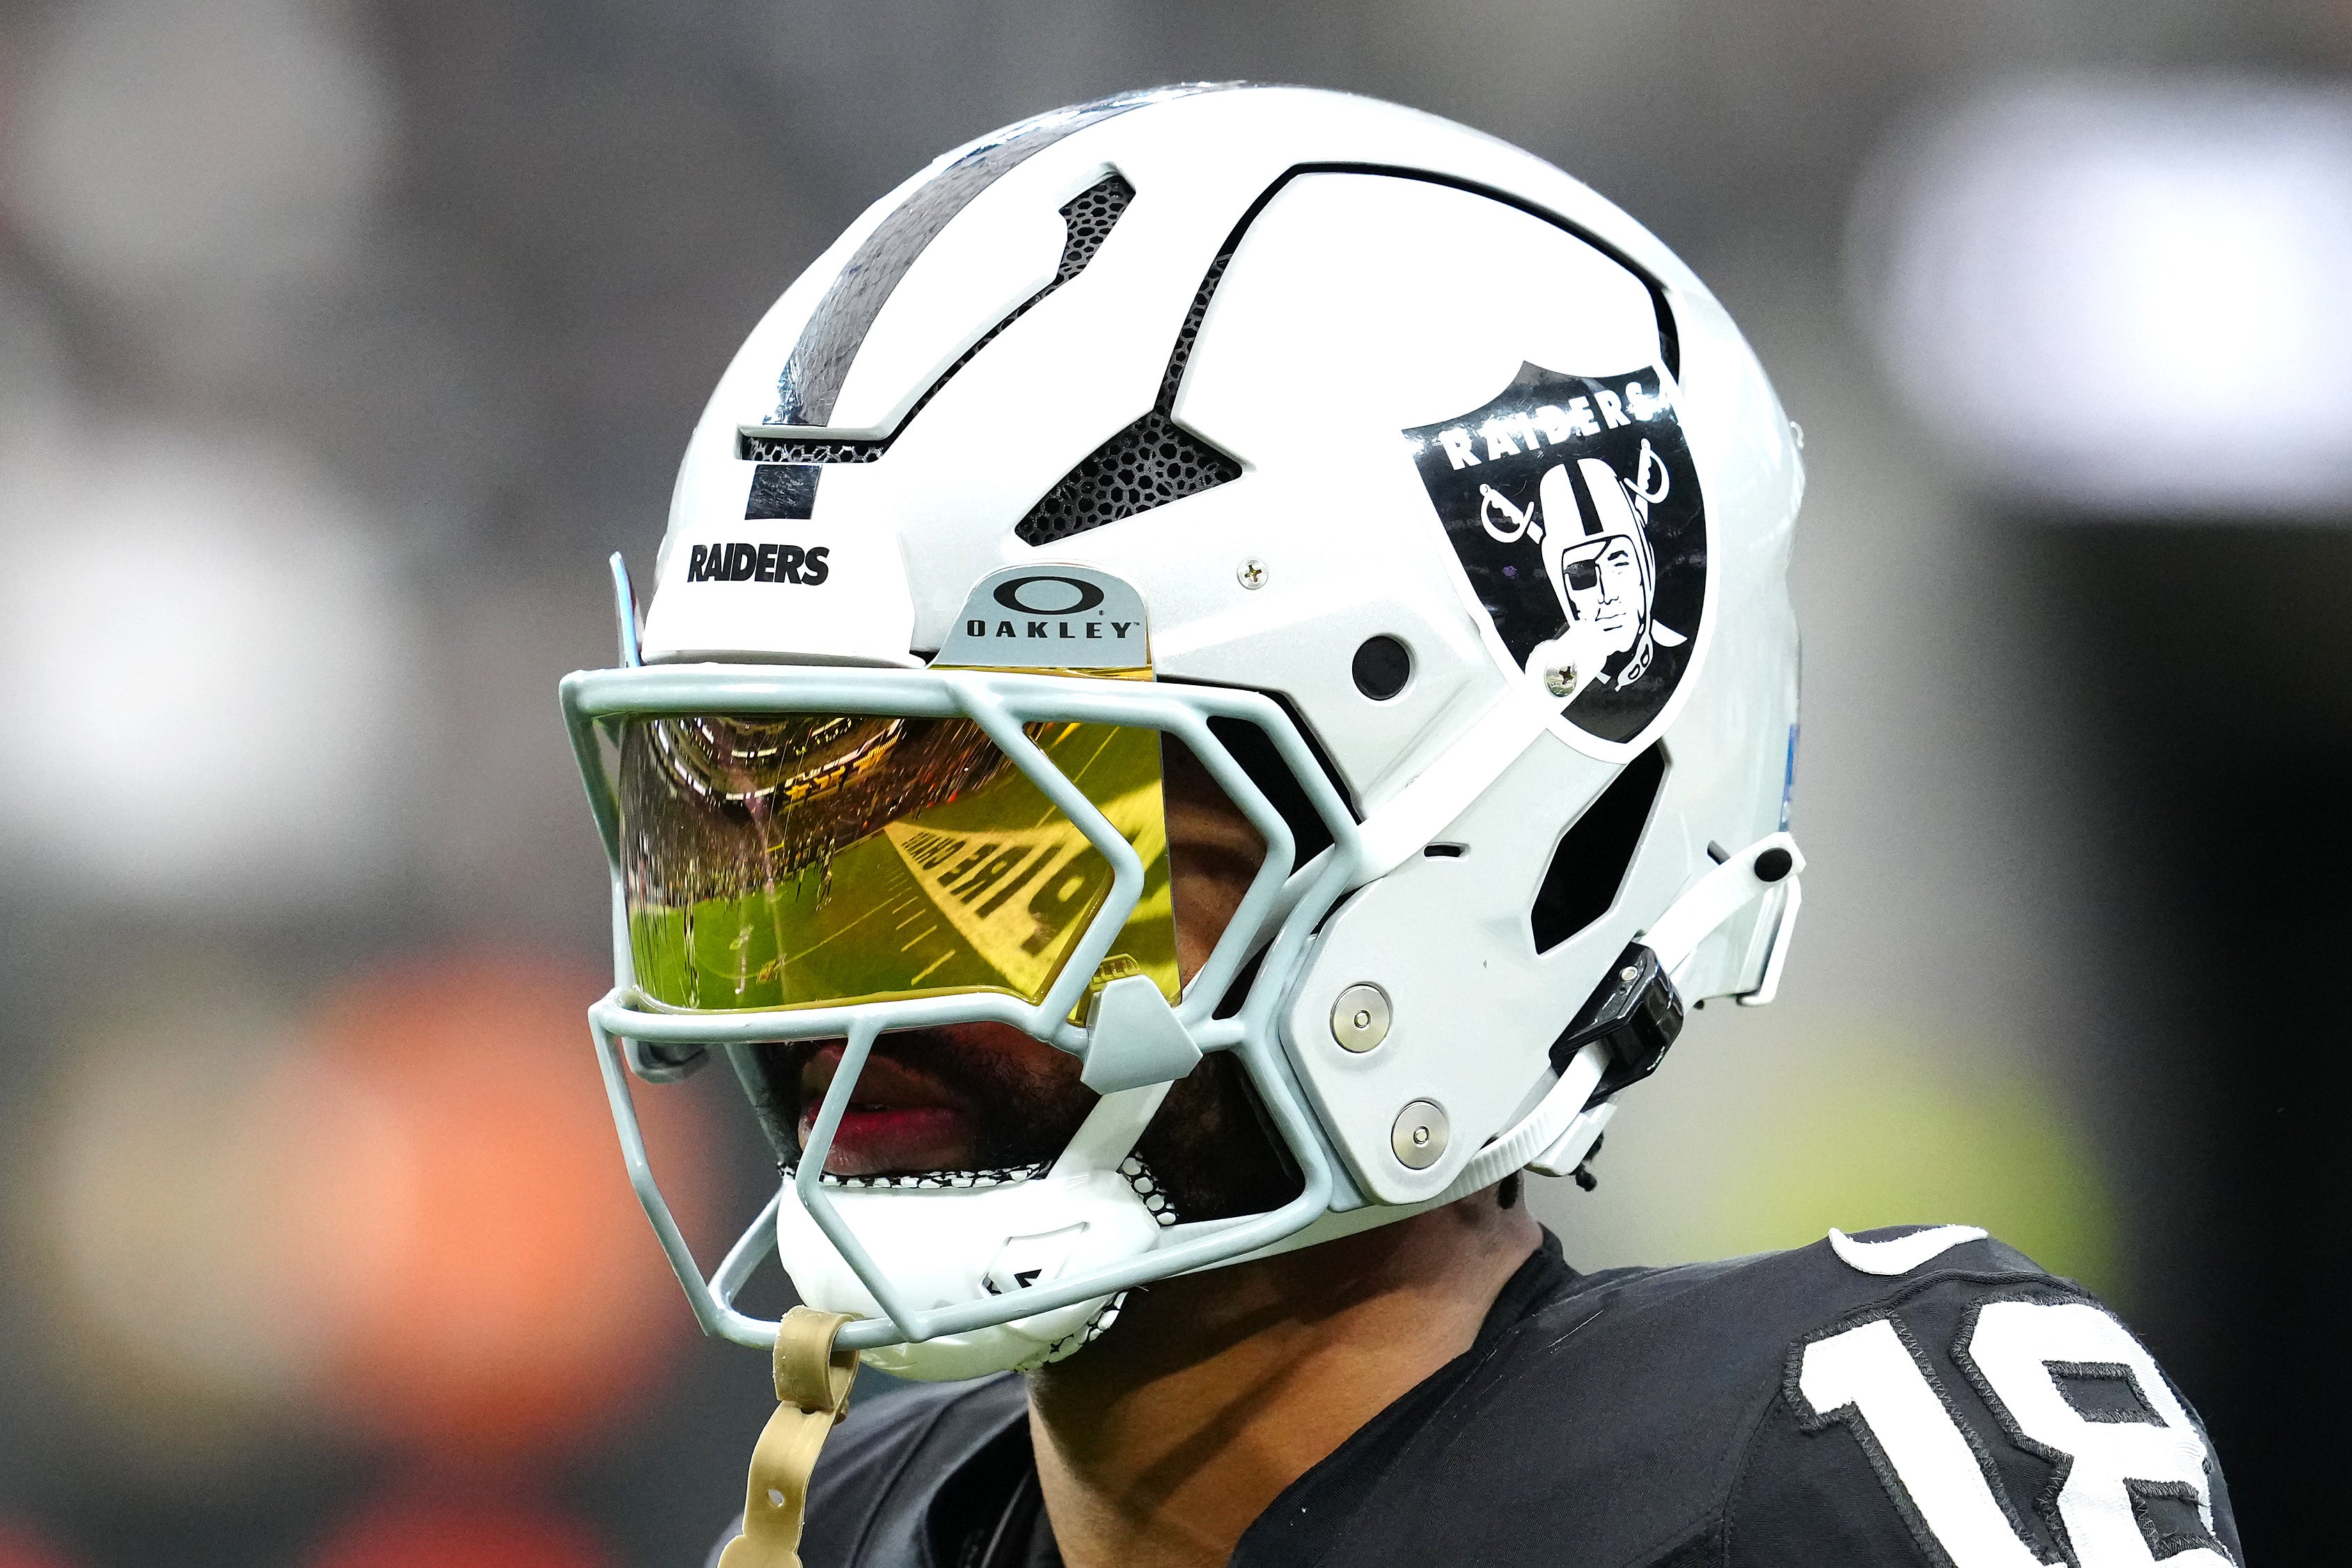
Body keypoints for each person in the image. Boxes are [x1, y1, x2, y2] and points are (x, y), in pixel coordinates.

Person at [559, 84, 2239, 1568]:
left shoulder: (1806, 1471)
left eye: (999, 845)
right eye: (792, 836)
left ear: (1458, 824)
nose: (838, 1001)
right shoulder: (861, 1515)